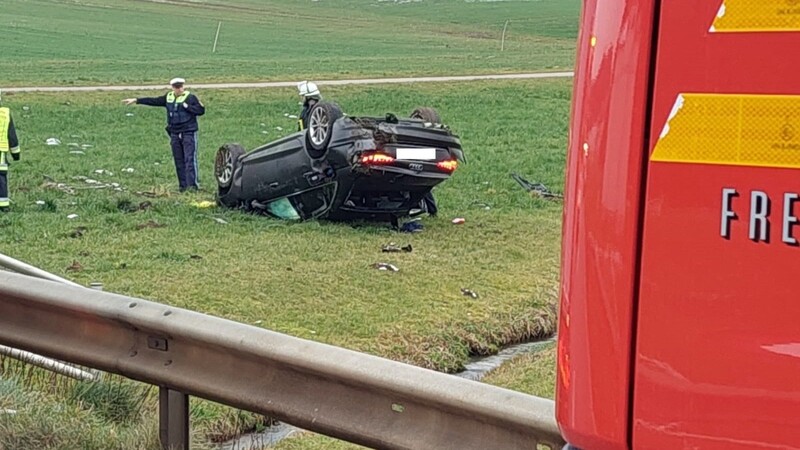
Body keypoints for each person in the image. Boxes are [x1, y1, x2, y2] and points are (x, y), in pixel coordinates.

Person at [123, 78, 205, 192]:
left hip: (188, 132)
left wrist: (188, 107)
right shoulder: (168, 97)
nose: (179, 89)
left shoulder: (191, 97)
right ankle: (183, 186)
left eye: (180, 86)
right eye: (176, 87)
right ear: (172, 87)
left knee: (189, 160)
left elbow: (201, 110)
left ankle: (192, 187)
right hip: (174, 132)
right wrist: (137, 100)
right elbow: (154, 101)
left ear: (183, 86)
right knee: (178, 160)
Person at [0, 89, 21, 211]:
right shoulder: (5, 114)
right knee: (1, 177)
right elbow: (12, 137)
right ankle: (3, 206)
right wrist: (16, 154)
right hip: (0, 152)